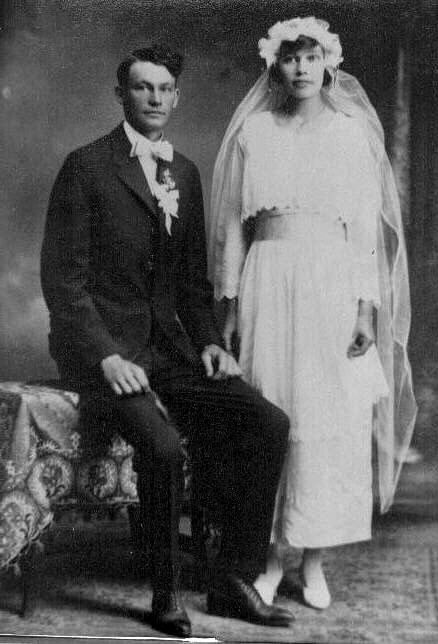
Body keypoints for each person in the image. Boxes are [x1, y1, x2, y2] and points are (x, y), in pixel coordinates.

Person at [40, 45, 296, 637]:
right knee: (162, 449)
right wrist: (106, 356)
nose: (154, 98)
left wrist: (208, 342)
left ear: (176, 98)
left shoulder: (183, 172)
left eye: (164, 89)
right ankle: (165, 594)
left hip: (167, 352)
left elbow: (190, 285)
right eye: (142, 87)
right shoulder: (86, 166)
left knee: (267, 422)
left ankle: (233, 581)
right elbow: (63, 283)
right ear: (121, 95)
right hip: (101, 355)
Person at [208, 17, 417, 610]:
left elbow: (365, 234)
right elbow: (233, 228)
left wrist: (365, 310)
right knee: (272, 412)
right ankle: (271, 558)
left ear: (328, 64)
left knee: (326, 418)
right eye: (290, 58)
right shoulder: (255, 132)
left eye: (310, 57)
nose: (301, 68)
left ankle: (314, 560)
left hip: (330, 285)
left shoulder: (351, 135)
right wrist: (230, 304)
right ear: (275, 66)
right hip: (267, 282)